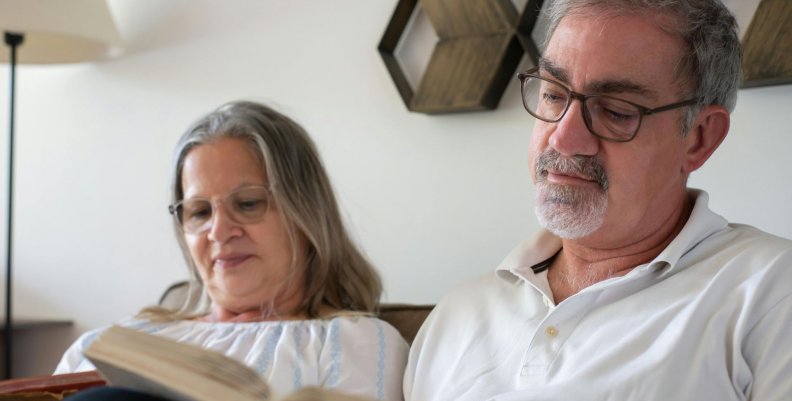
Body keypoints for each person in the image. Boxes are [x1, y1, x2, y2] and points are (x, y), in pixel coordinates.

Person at [404, 1, 792, 400]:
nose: (562, 139)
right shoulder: (457, 315)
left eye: (616, 111)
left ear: (700, 138)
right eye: (554, 95)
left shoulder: (772, 292)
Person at [56, 101, 408, 401]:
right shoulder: (109, 344)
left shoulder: (353, 341)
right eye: (200, 212)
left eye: (248, 203)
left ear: (306, 214)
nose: (220, 231)